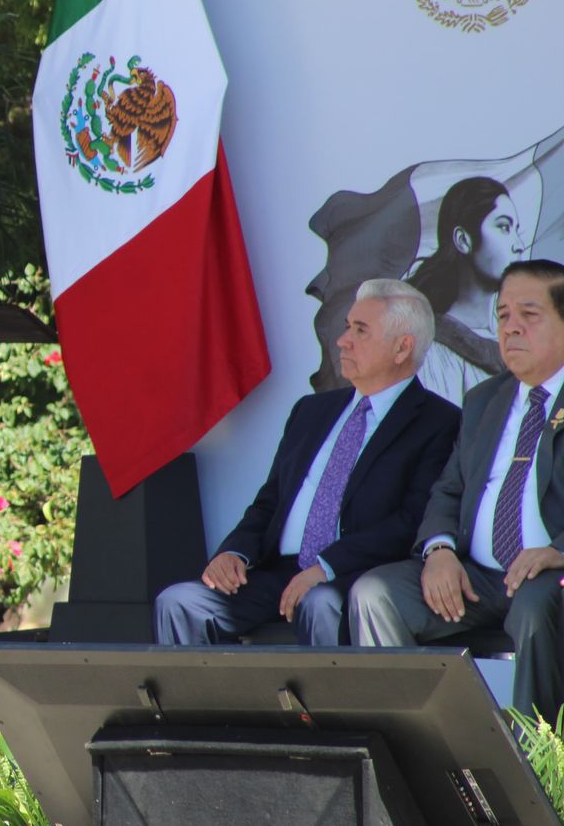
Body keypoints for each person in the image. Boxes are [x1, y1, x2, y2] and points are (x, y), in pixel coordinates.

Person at [154, 280, 459, 645]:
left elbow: (411, 521)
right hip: (274, 571)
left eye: (360, 331)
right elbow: (271, 500)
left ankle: (324, 706)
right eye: (347, 326)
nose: (343, 340)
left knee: (320, 603)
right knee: (178, 603)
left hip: (350, 575)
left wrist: (326, 566)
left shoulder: (438, 422)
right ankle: (202, 705)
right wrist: (233, 551)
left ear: (402, 347)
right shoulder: (312, 411)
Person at [351, 260, 564, 722]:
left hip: (548, 577)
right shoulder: (485, 399)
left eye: (529, 315)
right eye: (503, 315)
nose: (511, 329)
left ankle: (541, 763)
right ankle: (414, 746)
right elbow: (448, 490)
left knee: (536, 605)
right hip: (476, 578)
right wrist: (440, 550)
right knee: (374, 593)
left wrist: (557, 551)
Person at [409, 175, 524, 402]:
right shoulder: (431, 352)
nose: (518, 245)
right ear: (463, 240)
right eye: (503, 227)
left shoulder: (524, 340)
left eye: (516, 230)